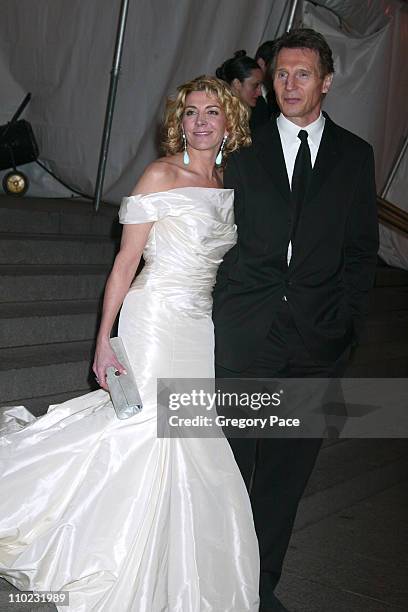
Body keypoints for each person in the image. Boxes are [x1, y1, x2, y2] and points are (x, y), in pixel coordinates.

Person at [0, 76, 260, 612]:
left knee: (184, 434)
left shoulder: (230, 183)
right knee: (147, 426)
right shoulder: (160, 175)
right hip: (156, 316)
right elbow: (125, 264)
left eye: (213, 111)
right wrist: (105, 340)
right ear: (179, 122)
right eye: (191, 112)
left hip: (197, 325)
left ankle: (170, 558)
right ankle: (106, 546)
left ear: (230, 122)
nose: (202, 121)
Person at [213, 28, 379, 612]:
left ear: (326, 83)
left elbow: (362, 250)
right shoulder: (241, 144)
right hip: (245, 338)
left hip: (314, 343)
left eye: (302, 74)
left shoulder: (355, 157)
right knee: (229, 471)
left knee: (283, 484)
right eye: (281, 74)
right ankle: (219, 582)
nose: (288, 84)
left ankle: (259, 589)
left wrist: (346, 324)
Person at [215, 51, 266, 129]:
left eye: (260, 85)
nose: (260, 92)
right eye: (255, 86)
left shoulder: (260, 108)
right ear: (237, 84)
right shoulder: (214, 110)